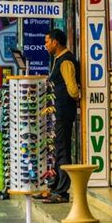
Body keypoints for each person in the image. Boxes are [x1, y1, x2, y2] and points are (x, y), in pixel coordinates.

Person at [36, 29, 80, 204]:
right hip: (58, 112)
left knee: (62, 150)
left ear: (55, 42)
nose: (45, 45)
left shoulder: (65, 61)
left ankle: (62, 191)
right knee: (57, 149)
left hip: (63, 112)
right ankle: (54, 187)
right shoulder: (57, 59)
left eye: (47, 41)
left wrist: (76, 97)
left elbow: (72, 89)